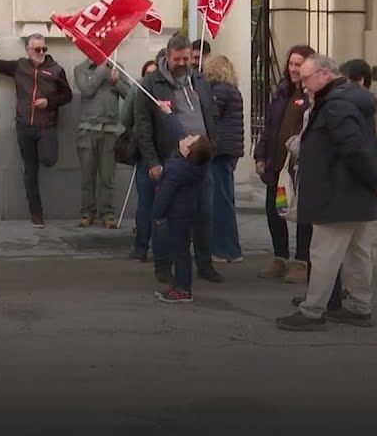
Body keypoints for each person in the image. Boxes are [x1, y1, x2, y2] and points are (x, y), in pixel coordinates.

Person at [276, 54, 377, 332]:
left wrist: (374, 177)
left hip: (337, 191)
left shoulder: (335, 105)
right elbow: (365, 143)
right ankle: (359, 307)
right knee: (358, 251)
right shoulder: (351, 98)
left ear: (325, 74)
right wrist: (374, 176)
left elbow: (352, 147)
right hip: (353, 191)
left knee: (324, 253)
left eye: (306, 79)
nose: (303, 85)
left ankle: (312, 311)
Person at [134, 33, 223, 285]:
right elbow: (143, 127)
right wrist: (151, 161)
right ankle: (163, 265)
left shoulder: (199, 79)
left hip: (202, 159)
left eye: (187, 59)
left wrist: (213, 145)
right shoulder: (150, 84)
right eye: (178, 59)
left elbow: (211, 114)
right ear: (167, 55)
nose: (183, 63)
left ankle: (205, 263)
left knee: (205, 213)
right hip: (170, 160)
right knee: (165, 217)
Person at [0, 28, 73, 227]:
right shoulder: (20, 67)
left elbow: (67, 95)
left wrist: (49, 102)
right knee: (30, 171)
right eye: (37, 49)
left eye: (43, 49)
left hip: (46, 127)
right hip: (24, 126)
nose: (41, 53)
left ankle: (44, 157)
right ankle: (36, 213)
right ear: (28, 50)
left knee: (49, 159)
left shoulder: (55, 70)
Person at [253, 44, 316, 284]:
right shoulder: (282, 92)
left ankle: (301, 262)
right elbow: (269, 128)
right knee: (275, 211)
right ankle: (280, 257)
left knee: (301, 214)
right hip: (277, 168)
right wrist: (261, 156)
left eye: (298, 64)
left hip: (299, 170)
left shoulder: (312, 95)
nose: (293, 69)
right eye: (290, 64)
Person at [151, 132, 216, 303]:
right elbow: (177, 129)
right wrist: (169, 113)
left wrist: (157, 213)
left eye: (189, 140)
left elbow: (165, 194)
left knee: (180, 253)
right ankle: (179, 285)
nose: (186, 137)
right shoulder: (196, 166)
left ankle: (183, 289)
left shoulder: (177, 169)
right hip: (186, 212)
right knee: (181, 251)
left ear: (187, 152)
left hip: (176, 214)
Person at [74, 58, 130, 227]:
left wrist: (116, 82)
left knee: (108, 176)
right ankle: (87, 212)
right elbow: (86, 89)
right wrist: (102, 69)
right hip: (88, 129)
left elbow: (129, 94)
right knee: (87, 176)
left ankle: (108, 213)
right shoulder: (81, 68)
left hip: (109, 130)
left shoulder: (117, 67)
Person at [202, 54, 245, 262]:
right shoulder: (233, 90)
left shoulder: (218, 91)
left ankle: (224, 249)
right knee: (226, 199)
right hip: (229, 150)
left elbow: (211, 117)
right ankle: (230, 248)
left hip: (219, 151)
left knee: (220, 202)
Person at [122, 57, 160, 263]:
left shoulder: (138, 88)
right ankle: (160, 248)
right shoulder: (170, 88)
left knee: (145, 202)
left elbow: (124, 118)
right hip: (163, 152)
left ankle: (141, 248)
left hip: (146, 152)